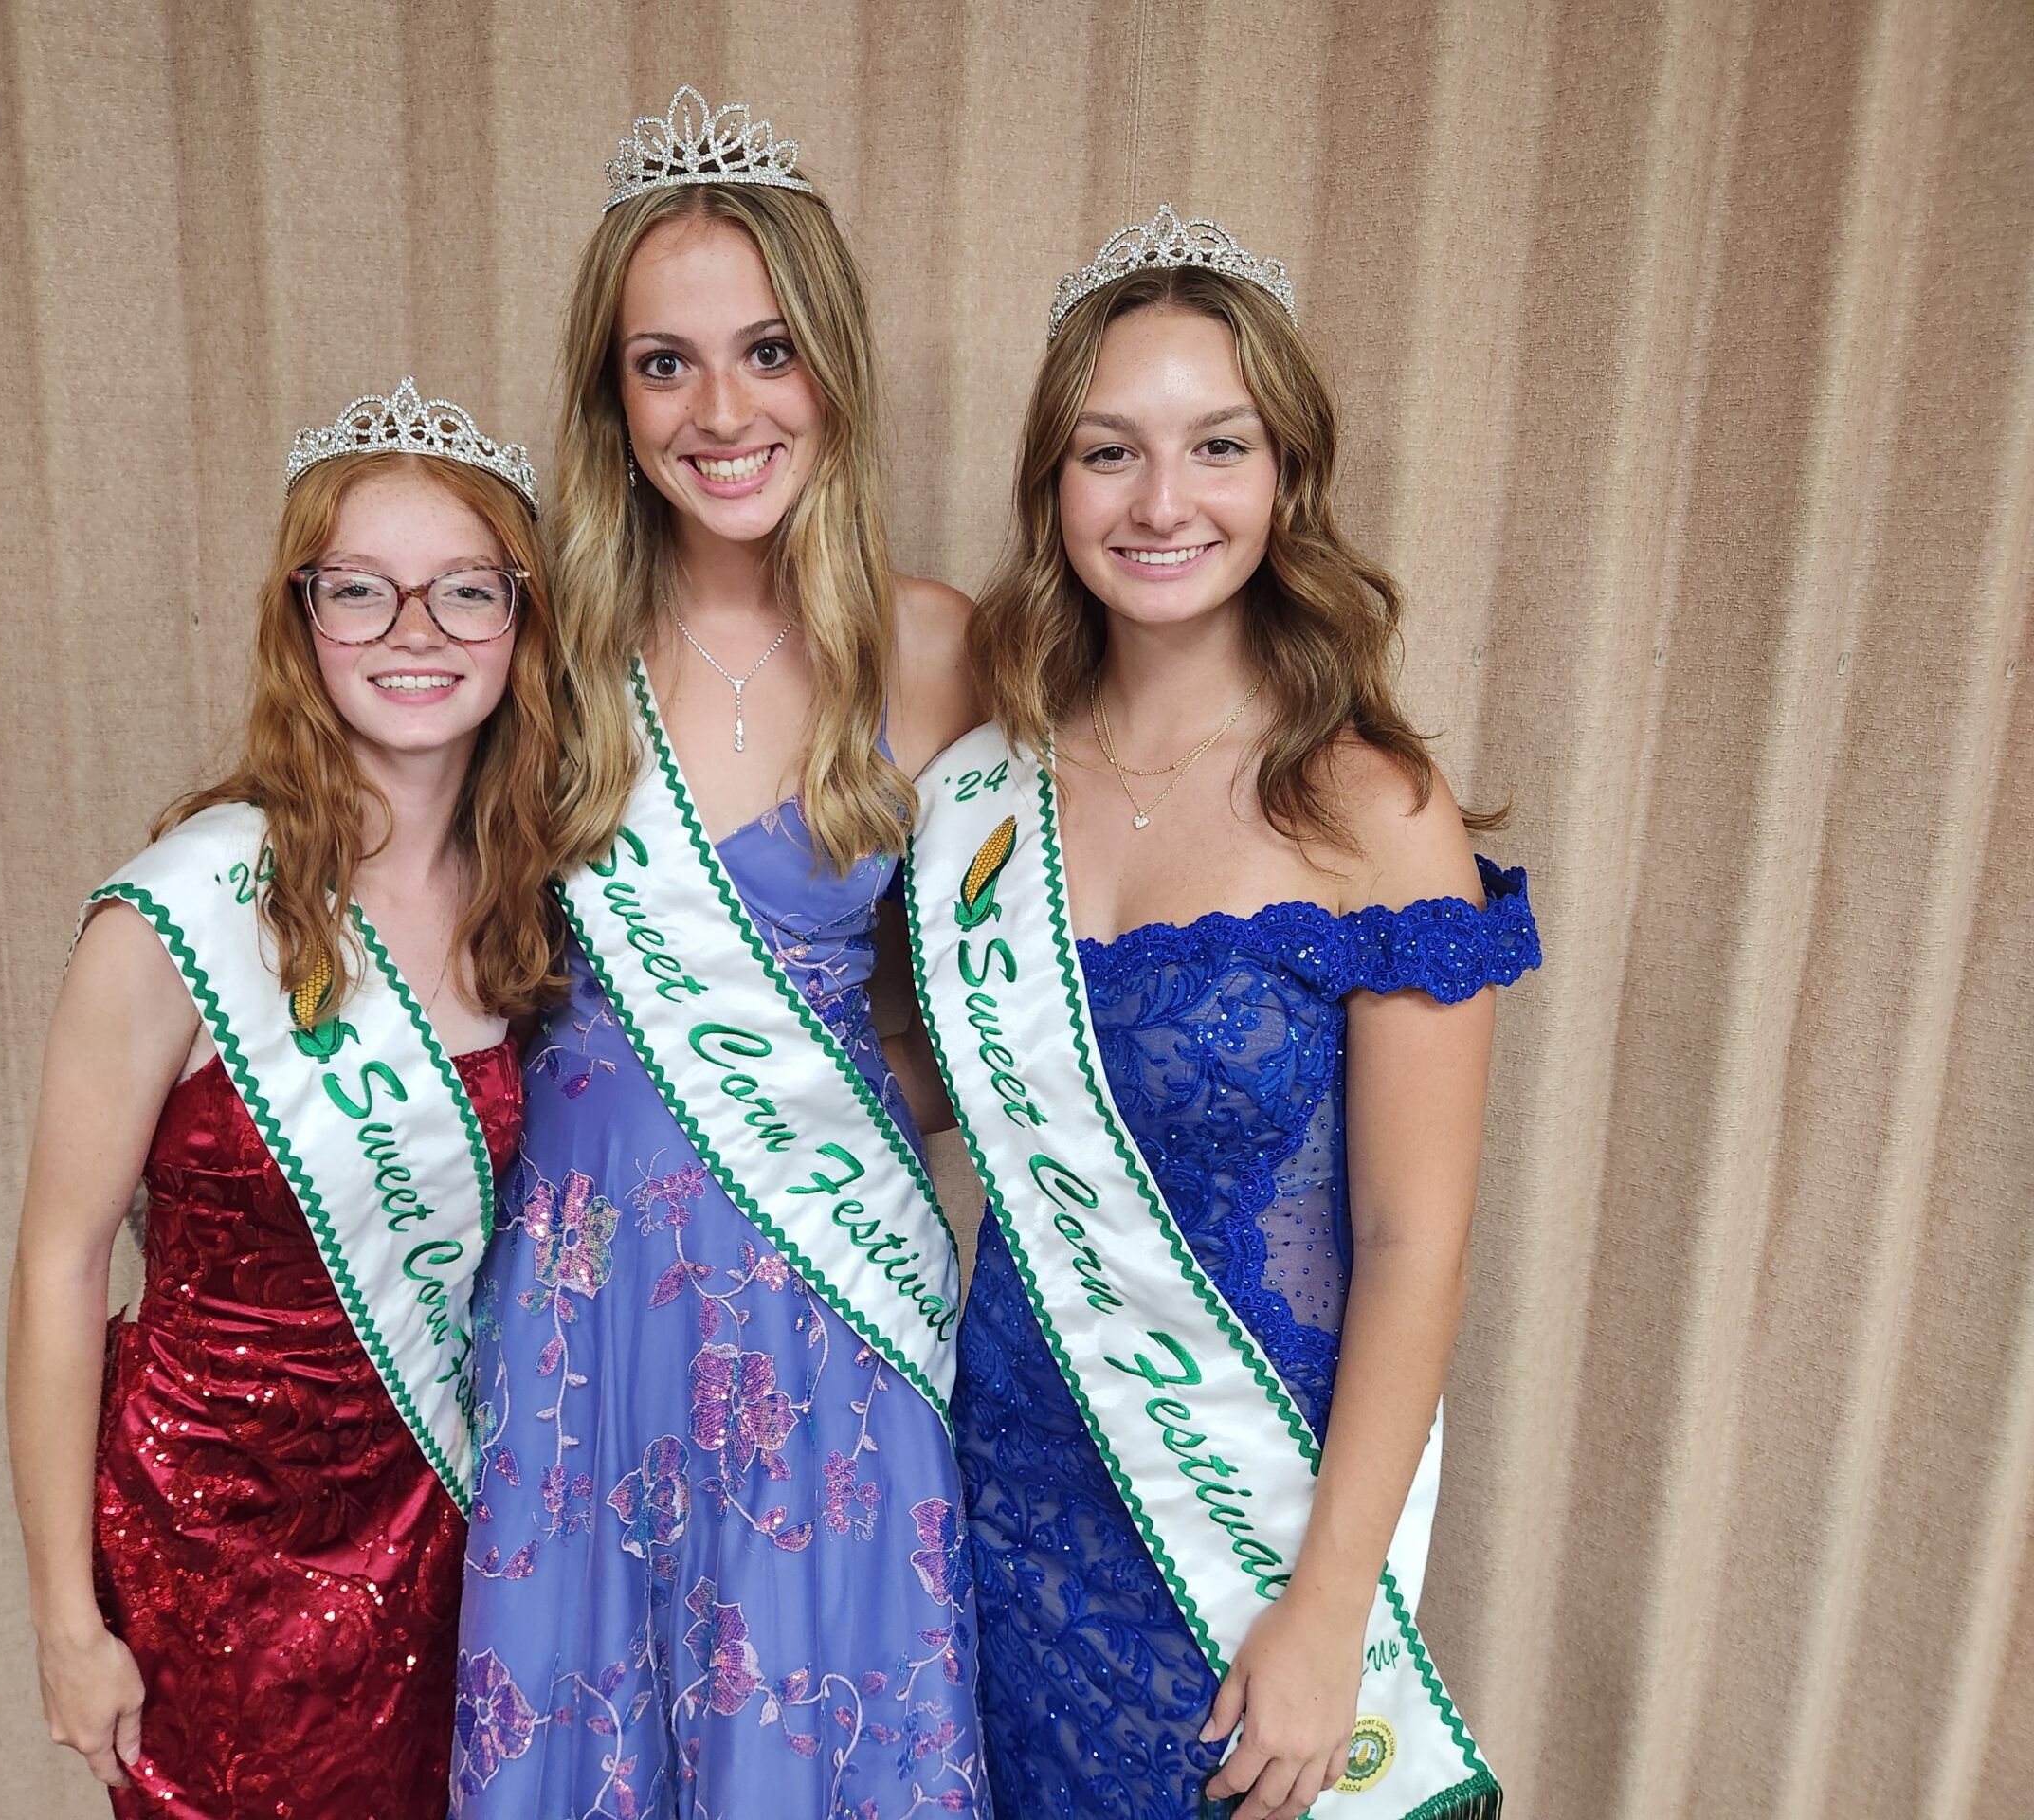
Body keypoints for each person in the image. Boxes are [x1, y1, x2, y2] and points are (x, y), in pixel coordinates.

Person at [906, 208, 1539, 1820]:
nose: (1163, 501)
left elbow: (1415, 1238)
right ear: (1054, 485)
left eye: (1217, 446)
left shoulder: (1373, 812)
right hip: (1005, 1504)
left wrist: (1327, 1615)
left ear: (1286, 476)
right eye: (1110, 452)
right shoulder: (980, 793)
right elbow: (909, 1086)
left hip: (1250, 1526)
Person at [449, 87, 985, 1817]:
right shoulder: (538, 656)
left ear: (831, 366)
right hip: (586, 1319)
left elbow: (1007, 1008)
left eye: (766, 351)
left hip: (830, 1310)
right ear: (612, 397)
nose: (722, 410)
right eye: (662, 362)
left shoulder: (933, 651)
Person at [6, 379, 563, 1819]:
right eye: (362, 592)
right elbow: (61, 1268)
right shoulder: (188, 907)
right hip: (213, 1553)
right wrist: (69, 1625)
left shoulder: (535, 909)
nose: (414, 634)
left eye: (463, 593)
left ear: (523, 621)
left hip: (450, 1537)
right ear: (301, 618)